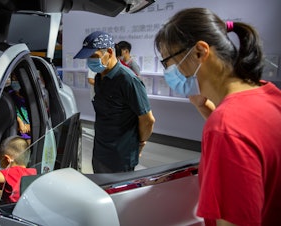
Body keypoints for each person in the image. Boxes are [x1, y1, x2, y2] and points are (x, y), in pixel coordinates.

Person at [154, 8, 281, 226]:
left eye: (168, 61)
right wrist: (207, 111)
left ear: (200, 52)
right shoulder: (270, 95)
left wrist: (218, 122)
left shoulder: (225, 127)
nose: (168, 71)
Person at [74, 31, 155, 173]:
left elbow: (147, 120)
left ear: (110, 52)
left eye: (94, 56)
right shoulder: (100, 78)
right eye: (88, 57)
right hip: (100, 150)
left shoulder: (128, 80)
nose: (90, 61)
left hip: (120, 155)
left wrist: (140, 143)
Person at [0, 136, 37, 203]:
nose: (1, 165)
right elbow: (15, 194)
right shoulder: (32, 173)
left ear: (7, 159)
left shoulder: (15, 172)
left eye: (0, 161)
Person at [7, 73, 31, 144]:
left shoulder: (31, 97)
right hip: (17, 130)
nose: (14, 81)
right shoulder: (10, 95)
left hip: (28, 131)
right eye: (13, 79)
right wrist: (20, 122)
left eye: (17, 79)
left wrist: (29, 127)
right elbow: (12, 111)